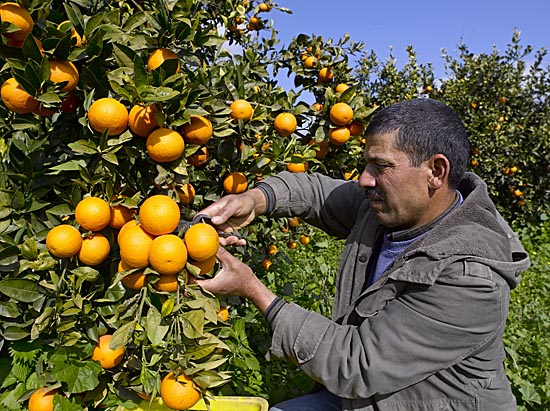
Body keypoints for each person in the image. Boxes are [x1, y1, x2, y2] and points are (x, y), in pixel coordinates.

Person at [195, 98, 530, 411]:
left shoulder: (470, 277)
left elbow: (354, 364)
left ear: (436, 172)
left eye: (380, 166)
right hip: (358, 398)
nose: (364, 180)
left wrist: (253, 289)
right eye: (365, 164)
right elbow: (315, 192)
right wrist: (255, 200)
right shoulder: (388, 207)